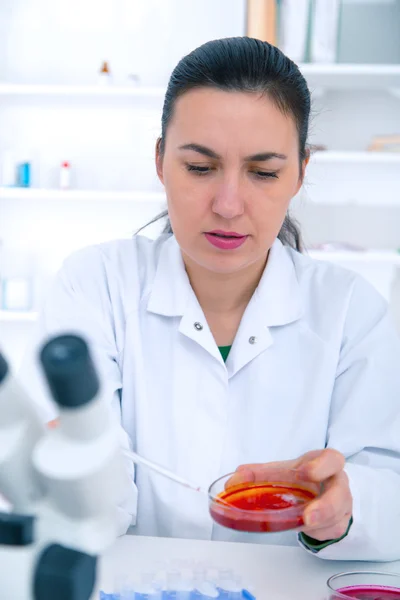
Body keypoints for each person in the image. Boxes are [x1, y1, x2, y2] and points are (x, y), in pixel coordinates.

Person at [20, 37, 400, 561]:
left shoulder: (349, 311)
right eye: (200, 167)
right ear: (159, 161)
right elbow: (95, 501)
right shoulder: (95, 284)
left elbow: (389, 486)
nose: (227, 205)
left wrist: (344, 510)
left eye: (263, 173)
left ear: (301, 173)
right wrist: (74, 466)